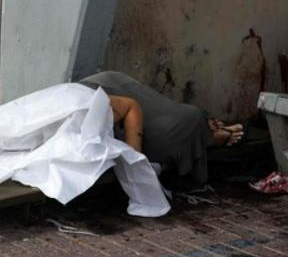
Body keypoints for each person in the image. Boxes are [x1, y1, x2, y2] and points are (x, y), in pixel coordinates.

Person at [79, 71, 243, 183]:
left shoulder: (90, 112)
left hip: (103, 94)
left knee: (181, 119)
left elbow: (130, 107)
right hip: (104, 115)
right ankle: (206, 135)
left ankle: (204, 132)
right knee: (184, 121)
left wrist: (136, 165)